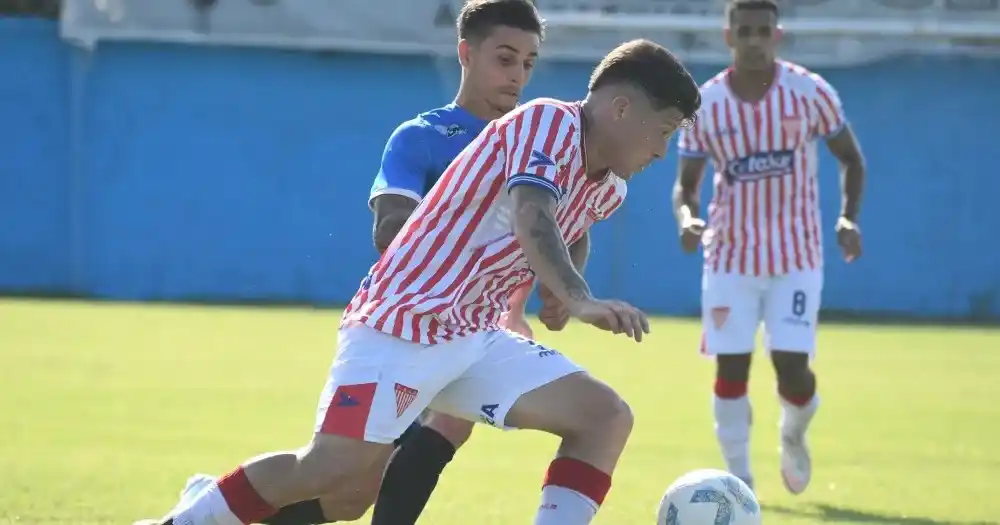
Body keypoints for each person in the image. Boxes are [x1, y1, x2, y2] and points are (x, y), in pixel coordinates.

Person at [138, 37, 700, 525]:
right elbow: (534, 211)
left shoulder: (611, 185)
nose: (662, 150)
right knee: (335, 474)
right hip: (402, 321)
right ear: (622, 108)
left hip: (471, 336)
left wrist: (558, 288)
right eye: (665, 131)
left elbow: (574, 220)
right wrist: (579, 298)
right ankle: (192, 513)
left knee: (603, 418)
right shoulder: (548, 121)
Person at [149, 2, 546, 524]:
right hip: (401, 329)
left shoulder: (532, 147)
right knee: (345, 491)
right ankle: (203, 510)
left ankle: (208, 506)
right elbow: (389, 228)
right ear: (465, 54)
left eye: (528, 63)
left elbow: (533, 235)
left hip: (467, 331)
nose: (517, 75)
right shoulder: (423, 137)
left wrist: (518, 304)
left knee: (443, 430)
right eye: (505, 58)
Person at [673, 0, 866, 495]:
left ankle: (794, 430)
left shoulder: (810, 92)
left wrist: (847, 217)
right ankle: (740, 481)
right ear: (728, 36)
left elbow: (851, 160)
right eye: (745, 31)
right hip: (730, 258)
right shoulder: (705, 104)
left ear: (777, 35)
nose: (754, 40)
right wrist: (687, 218)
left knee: (792, 369)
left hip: (796, 258)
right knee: (731, 366)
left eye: (763, 30)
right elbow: (686, 185)